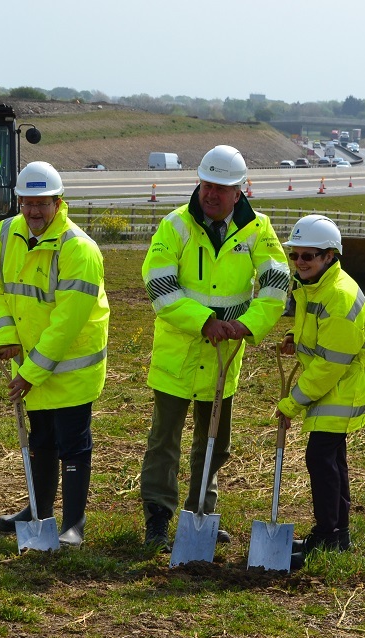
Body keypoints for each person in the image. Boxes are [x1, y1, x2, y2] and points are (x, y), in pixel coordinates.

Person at [140, 144, 290, 551]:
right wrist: (205, 322)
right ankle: (158, 516)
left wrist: (246, 325)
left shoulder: (259, 229)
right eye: (207, 185)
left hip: (226, 357)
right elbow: (159, 286)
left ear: (240, 191)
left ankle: (201, 513)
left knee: (215, 442)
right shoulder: (175, 226)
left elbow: (277, 284)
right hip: (179, 355)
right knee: (164, 442)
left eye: (222, 188)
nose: (212, 194)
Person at [0, 161, 109, 547]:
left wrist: (30, 372)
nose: (34, 212)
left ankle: (73, 524)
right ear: (19, 201)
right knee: (41, 441)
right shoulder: (5, 233)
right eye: (27, 203)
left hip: (70, 367)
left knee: (73, 444)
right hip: (31, 362)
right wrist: (4, 332)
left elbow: (66, 324)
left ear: (58, 202)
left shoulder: (79, 249)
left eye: (42, 204)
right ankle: (38, 510)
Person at [274, 214, 365, 570]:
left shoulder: (338, 296)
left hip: (341, 386)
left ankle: (329, 535)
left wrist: (291, 403)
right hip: (334, 383)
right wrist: (294, 338)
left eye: (309, 256)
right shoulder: (312, 285)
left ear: (330, 256)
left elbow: (329, 365)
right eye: (295, 255)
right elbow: (316, 334)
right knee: (331, 460)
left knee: (321, 459)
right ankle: (336, 534)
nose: (300, 262)